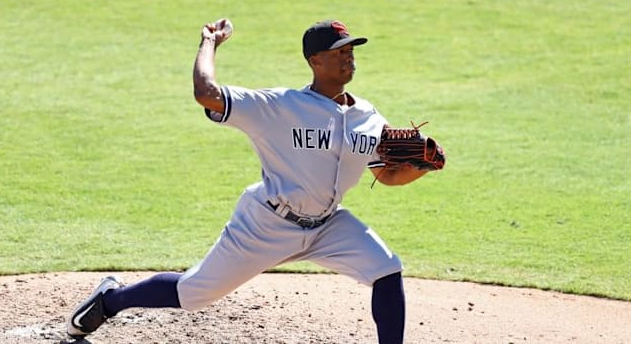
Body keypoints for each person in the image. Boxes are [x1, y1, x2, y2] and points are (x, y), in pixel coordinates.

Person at [66, 18, 437, 343]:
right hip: (268, 223)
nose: (348, 55)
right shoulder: (278, 106)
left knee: (387, 269)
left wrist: (421, 166)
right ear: (315, 61)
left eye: (351, 48)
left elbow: (386, 175)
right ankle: (110, 299)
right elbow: (206, 94)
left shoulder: (368, 116)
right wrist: (209, 42)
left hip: (329, 225)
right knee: (194, 293)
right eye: (338, 50)